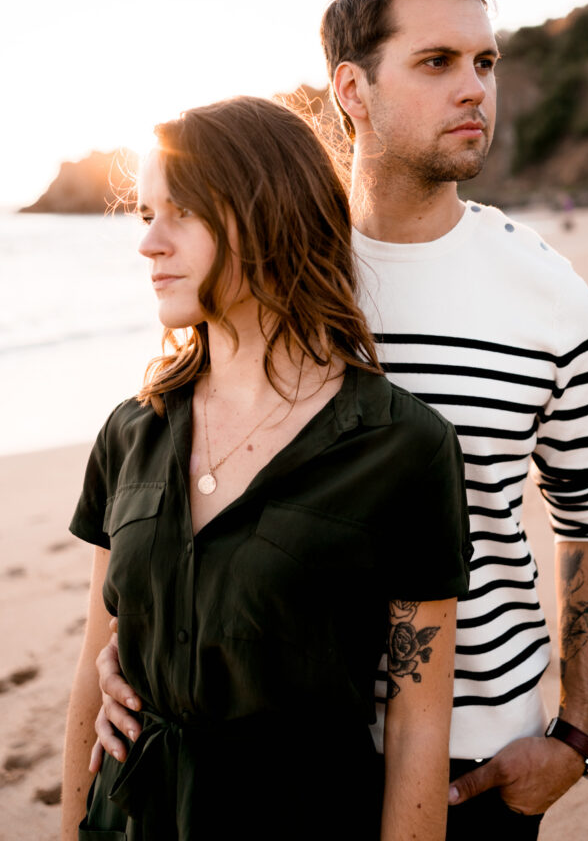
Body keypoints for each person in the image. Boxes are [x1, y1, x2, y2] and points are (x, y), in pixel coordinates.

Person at [93, 0, 588, 838]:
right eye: (436, 62)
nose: (474, 90)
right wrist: (151, 636)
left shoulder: (550, 298)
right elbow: (184, 474)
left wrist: (575, 738)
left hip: (474, 755)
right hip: (276, 749)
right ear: (351, 86)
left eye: (484, 63)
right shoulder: (259, 262)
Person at [61, 96, 472, 841]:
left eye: (179, 212)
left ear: (267, 215)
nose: (147, 243)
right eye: (144, 213)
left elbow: (416, 729)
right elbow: (93, 679)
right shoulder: (132, 431)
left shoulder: (401, 446)